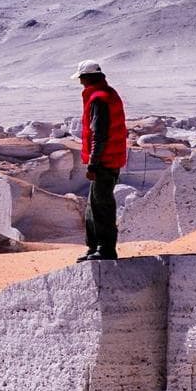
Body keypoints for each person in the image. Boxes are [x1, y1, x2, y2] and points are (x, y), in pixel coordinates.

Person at [76, 60, 127, 261]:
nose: (80, 82)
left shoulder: (99, 99)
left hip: (104, 161)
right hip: (110, 158)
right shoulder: (107, 94)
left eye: (81, 78)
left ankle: (105, 249)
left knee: (102, 205)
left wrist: (93, 163)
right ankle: (94, 247)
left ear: (88, 78)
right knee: (93, 205)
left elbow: (100, 135)